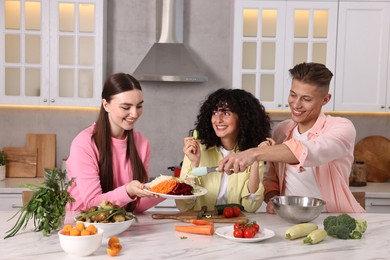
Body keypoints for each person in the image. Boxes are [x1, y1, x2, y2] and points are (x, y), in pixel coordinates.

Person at [219, 62, 365, 213]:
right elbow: (272, 180)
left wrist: (254, 153)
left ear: (325, 99)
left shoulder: (341, 127)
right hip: (289, 220)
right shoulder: (282, 130)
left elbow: (310, 151)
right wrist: (272, 199)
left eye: (306, 99)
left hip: (333, 218)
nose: (296, 104)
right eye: (293, 95)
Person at [66, 73, 164, 213]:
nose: (134, 114)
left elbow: (136, 205)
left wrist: (170, 190)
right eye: (126, 107)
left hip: (121, 224)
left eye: (139, 106)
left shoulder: (141, 143)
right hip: (82, 227)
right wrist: (127, 190)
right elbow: (93, 204)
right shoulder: (84, 143)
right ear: (106, 105)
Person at [175, 88, 271, 213]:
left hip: (233, 227)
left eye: (226, 113)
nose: (218, 120)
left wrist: (256, 158)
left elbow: (250, 205)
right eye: (214, 112)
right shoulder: (198, 150)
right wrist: (194, 163)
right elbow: (183, 205)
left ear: (242, 118)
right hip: (200, 225)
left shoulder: (252, 153)